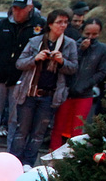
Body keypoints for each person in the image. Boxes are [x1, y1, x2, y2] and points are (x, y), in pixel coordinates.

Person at [0, 0, 45, 158]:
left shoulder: (39, 26)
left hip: (21, 79)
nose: (17, 12)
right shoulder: (3, 25)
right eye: (14, 8)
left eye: (20, 9)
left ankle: (12, 150)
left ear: (29, 8)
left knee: (15, 117)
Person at [11, 9, 78, 166]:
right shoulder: (36, 41)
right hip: (29, 92)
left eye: (65, 22)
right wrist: (35, 58)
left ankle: (28, 164)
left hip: (50, 95)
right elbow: (19, 63)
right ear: (50, 24)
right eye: (59, 22)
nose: (63, 25)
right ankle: (14, 163)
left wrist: (62, 62)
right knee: (21, 131)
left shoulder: (70, 44)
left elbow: (74, 68)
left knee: (38, 133)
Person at [50, 18, 106, 150]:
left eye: (94, 34)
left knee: (77, 128)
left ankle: (72, 155)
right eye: (87, 34)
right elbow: (68, 66)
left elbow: (102, 71)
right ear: (82, 31)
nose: (90, 37)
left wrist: (88, 84)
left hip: (85, 93)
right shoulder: (72, 45)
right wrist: (81, 50)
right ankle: (53, 154)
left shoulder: (102, 49)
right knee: (58, 126)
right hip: (67, 91)